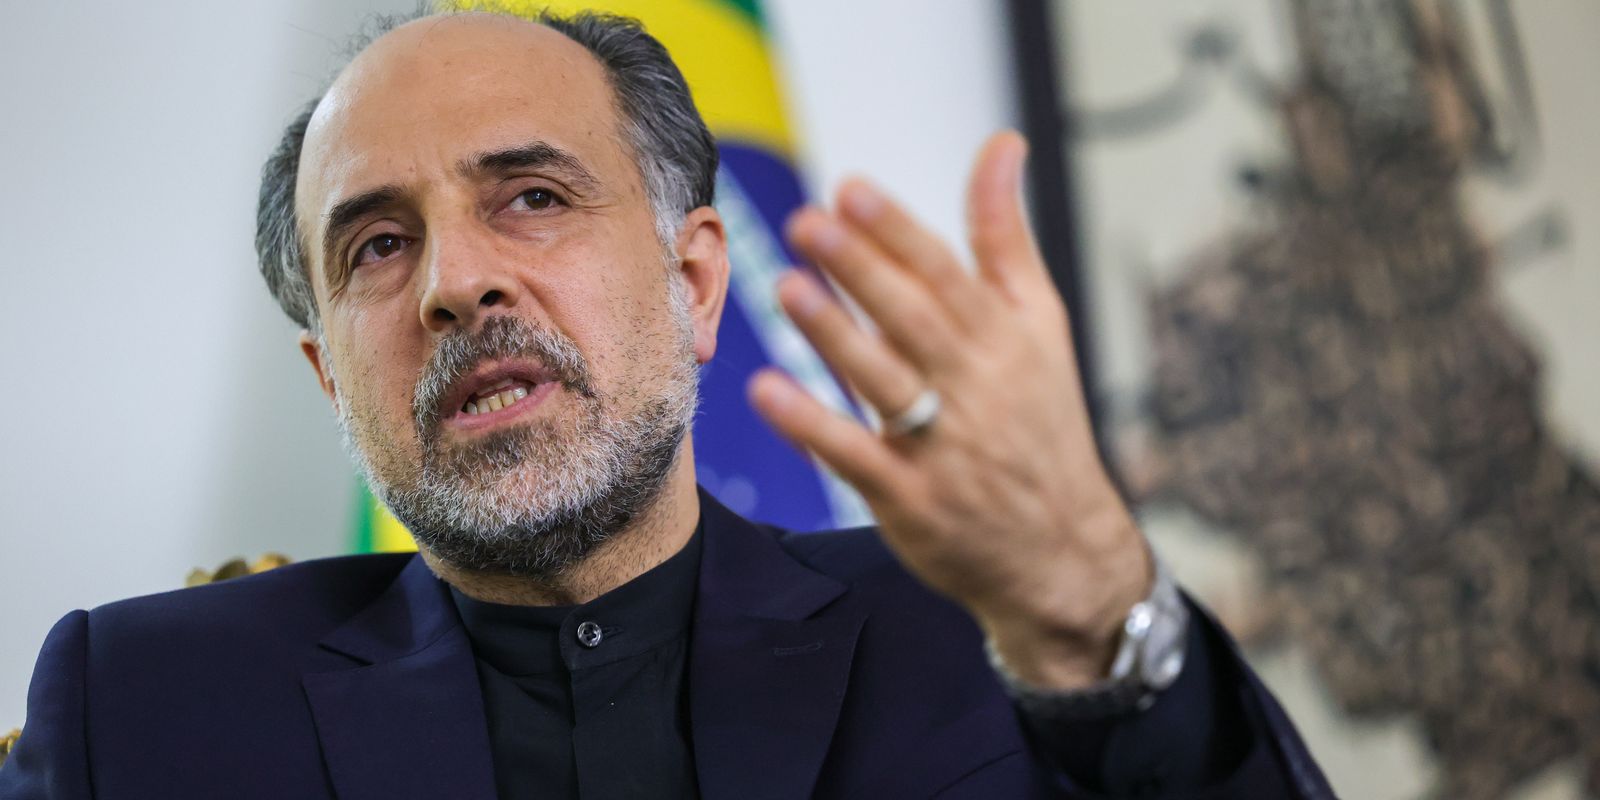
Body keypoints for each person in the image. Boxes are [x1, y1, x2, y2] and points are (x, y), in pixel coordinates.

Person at [0, 9, 1331, 799]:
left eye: (532, 196)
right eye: (380, 245)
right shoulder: (146, 705)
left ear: (695, 283)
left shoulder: (985, 627)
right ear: (331, 379)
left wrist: (1104, 607)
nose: (457, 284)